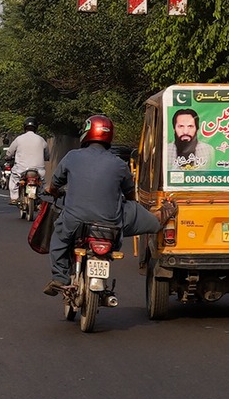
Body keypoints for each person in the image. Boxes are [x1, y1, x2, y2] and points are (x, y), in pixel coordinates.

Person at [42, 115, 157, 294]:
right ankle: (161, 218)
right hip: (110, 225)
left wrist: (53, 191)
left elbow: (55, 183)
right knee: (135, 212)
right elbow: (130, 194)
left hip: (75, 221)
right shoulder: (119, 164)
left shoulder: (72, 157)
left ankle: (59, 277)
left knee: (59, 238)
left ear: (87, 133)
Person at [3, 119, 47, 193]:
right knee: (42, 183)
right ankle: (39, 194)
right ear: (36, 128)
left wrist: (8, 157)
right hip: (39, 170)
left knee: (14, 179)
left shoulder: (19, 139)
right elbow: (47, 154)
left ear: (25, 128)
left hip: (21, 169)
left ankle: (14, 197)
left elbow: (10, 152)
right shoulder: (41, 139)